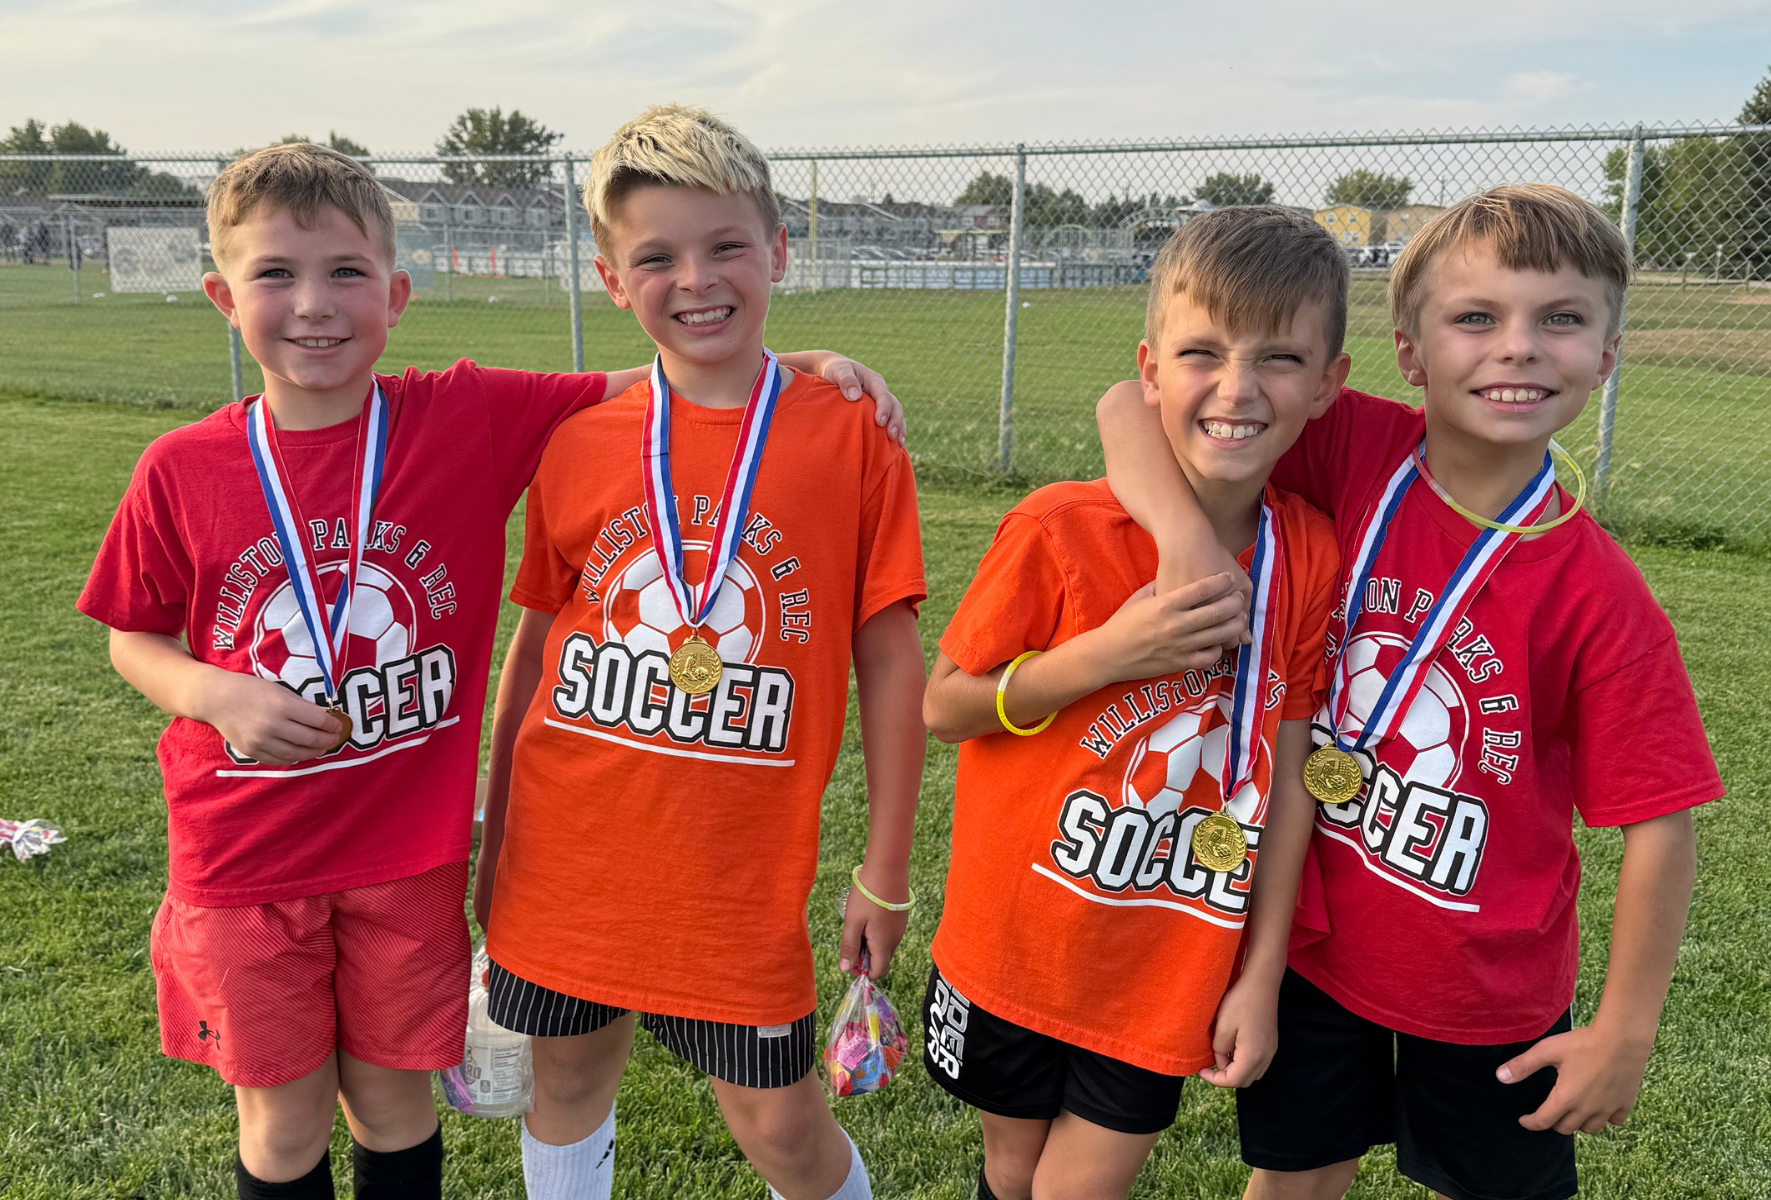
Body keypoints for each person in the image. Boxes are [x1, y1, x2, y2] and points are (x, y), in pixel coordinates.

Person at [76, 140, 902, 1200]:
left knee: (391, 1107)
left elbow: (660, 378)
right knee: (284, 1130)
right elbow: (129, 634)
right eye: (275, 275)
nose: (313, 305)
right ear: (219, 295)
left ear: (397, 293)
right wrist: (212, 690)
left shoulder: (460, 417)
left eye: (344, 273)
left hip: (403, 860)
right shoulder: (181, 467)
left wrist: (799, 366)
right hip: (246, 862)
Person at [1097, 184, 1721, 1200]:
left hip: (1487, 989)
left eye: (1560, 319)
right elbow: (1126, 404)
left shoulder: (1601, 595)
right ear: (1410, 354)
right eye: (1476, 317)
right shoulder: (1355, 449)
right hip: (1310, 946)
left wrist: (1624, 1030)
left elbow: (1660, 825)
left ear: (1606, 355)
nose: (1516, 347)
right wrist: (1183, 544)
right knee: (1293, 1178)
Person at [473, 105, 928, 1200]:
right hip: (567, 855)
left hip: (733, 880)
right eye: (656, 257)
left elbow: (891, 663)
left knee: (783, 1130)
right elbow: (533, 647)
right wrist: (490, 825)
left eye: (726, 245)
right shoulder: (577, 440)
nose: (697, 279)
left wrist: (888, 870)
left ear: (778, 248)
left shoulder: (849, 434)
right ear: (609, 278)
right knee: (565, 1081)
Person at [918, 206, 1348, 1200]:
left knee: (1077, 1189)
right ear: (1152, 369)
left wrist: (1261, 973)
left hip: (1166, 963)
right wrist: (1104, 656)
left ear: (1329, 383)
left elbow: (1291, 783)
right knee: (1012, 1172)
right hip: (1014, 943)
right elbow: (946, 707)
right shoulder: (1061, 528)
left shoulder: (1310, 555)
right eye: (1203, 352)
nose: (1238, 388)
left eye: (1279, 358)